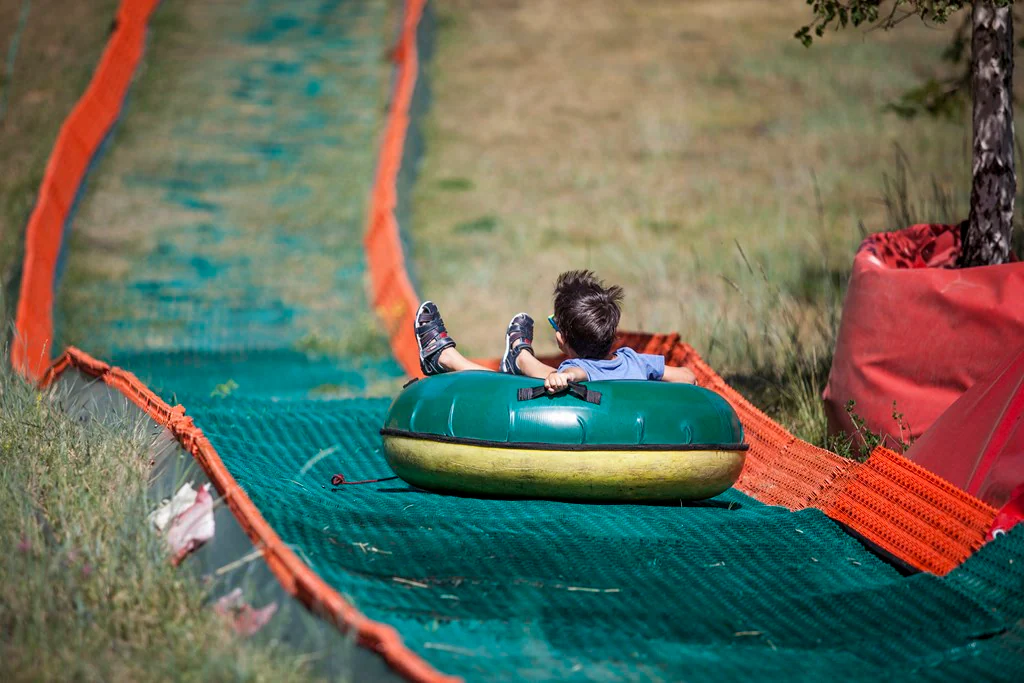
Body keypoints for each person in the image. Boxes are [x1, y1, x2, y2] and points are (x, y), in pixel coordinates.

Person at [414, 269, 697, 392]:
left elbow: (577, 374)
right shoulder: (635, 361)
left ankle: (449, 358)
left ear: (561, 339)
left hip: (588, 422)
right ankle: (519, 357)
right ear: (613, 336)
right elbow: (687, 377)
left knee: (511, 385)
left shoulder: (576, 370)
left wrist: (564, 377)